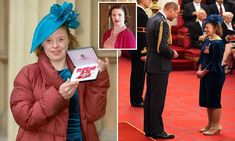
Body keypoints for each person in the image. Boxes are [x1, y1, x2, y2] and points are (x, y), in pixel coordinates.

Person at [10, 2, 110, 141]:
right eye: (49, 41)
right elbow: (25, 119)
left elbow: (94, 114)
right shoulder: (28, 74)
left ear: (69, 40)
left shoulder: (81, 70)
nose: (55, 46)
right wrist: (58, 96)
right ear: (42, 45)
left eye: (60, 39)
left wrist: (99, 79)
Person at [144, 1, 179, 139]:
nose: (176, 16)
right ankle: (158, 131)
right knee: (157, 100)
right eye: (176, 12)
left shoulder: (152, 18)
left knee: (150, 98)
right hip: (159, 65)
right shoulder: (162, 22)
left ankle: (149, 129)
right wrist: (173, 54)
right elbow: (162, 47)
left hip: (152, 62)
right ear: (171, 9)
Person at [197, 14, 225, 136]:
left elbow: (215, 61)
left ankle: (216, 125)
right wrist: (200, 67)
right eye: (205, 27)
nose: (205, 30)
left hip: (215, 74)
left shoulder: (218, 43)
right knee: (207, 100)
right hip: (206, 74)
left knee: (214, 100)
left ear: (215, 27)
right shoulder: (208, 40)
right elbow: (203, 55)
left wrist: (203, 72)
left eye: (207, 27)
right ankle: (210, 123)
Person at [129, 0, 152, 108]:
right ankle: (137, 99)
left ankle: (135, 98)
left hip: (134, 48)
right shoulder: (141, 14)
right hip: (139, 50)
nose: (150, 1)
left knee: (136, 74)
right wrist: (144, 52)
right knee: (138, 75)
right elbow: (142, 36)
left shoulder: (136, 11)